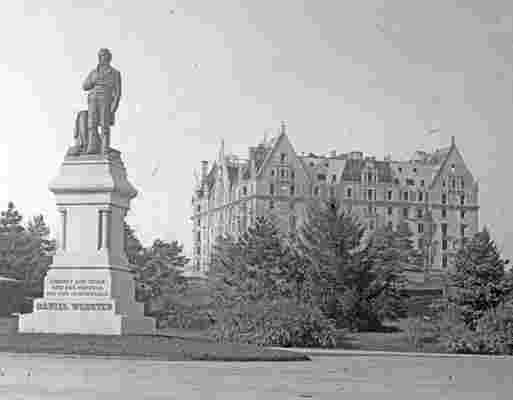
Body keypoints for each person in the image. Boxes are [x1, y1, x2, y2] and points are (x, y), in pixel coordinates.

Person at [82, 48, 121, 154]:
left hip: (105, 98)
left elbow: (117, 93)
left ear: (109, 58)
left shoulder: (114, 73)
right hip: (93, 98)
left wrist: (113, 108)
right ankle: (92, 146)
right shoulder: (94, 72)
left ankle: (104, 147)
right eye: (101, 56)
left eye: (105, 55)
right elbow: (85, 86)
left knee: (104, 124)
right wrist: (92, 81)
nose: (103, 58)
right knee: (92, 123)